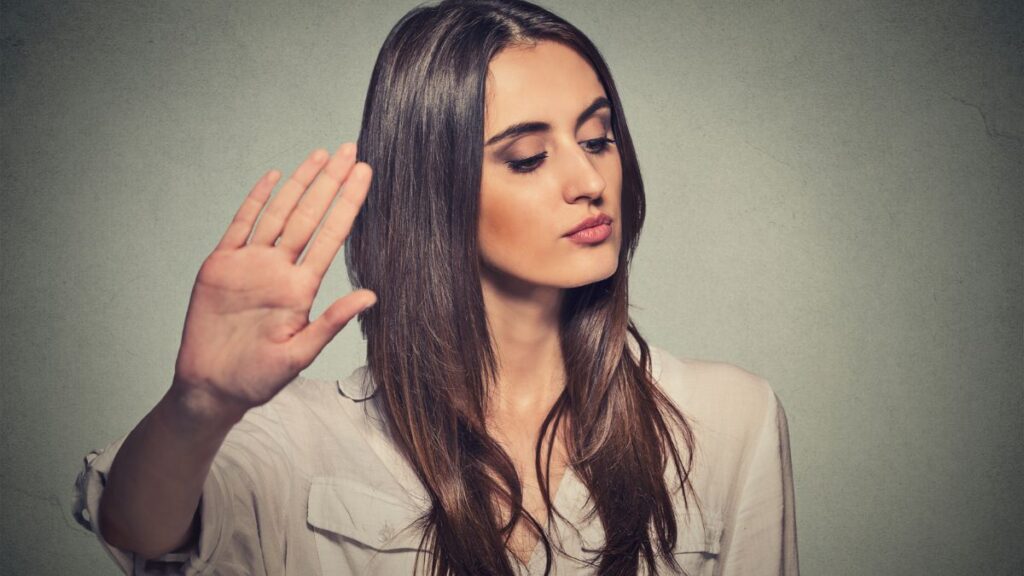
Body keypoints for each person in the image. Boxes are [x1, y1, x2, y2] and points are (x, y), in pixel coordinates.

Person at [72, 0, 799, 574]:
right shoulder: (297, 439)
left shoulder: (730, 418)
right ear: (434, 190)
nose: (588, 182)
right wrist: (199, 406)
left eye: (598, 138)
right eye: (527, 157)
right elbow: (139, 531)